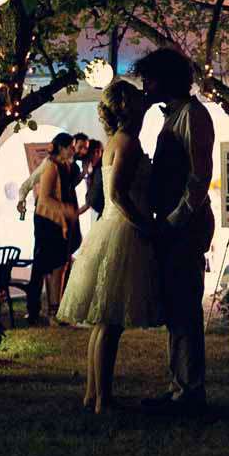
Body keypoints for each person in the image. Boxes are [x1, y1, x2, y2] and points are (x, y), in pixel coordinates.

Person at [58, 82, 160, 413]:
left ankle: (93, 393)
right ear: (129, 108)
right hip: (124, 230)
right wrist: (144, 224)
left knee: (103, 323)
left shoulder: (117, 140)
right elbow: (116, 193)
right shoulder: (127, 142)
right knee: (111, 323)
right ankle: (103, 398)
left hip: (111, 227)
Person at [136, 48, 215, 415]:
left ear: (165, 80)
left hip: (184, 226)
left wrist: (173, 221)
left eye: (149, 79)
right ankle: (179, 386)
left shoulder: (193, 116)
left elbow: (198, 179)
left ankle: (189, 392)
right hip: (173, 223)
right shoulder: (174, 116)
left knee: (184, 307)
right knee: (177, 307)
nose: (144, 86)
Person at [26, 133, 80, 325]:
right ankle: (51, 311)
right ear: (62, 148)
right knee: (52, 266)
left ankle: (54, 310)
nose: (73, 149)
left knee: (59, 265)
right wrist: (66, 210)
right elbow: (45, 198)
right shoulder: (50, 166)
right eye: (70, 146)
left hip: (58, 221)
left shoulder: (65, 165)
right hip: (48, 222)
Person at [17, 133, 90, 218]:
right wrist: (21, 200)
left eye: (85, 148)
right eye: (77, 147)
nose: (83, 151)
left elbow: (70, 186)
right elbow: (28, 183)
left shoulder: (72, 165)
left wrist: (84, 173)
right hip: (47, 213)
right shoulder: (49, 164)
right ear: (62, 148)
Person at [79, 139, 105, 220]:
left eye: (88, 158)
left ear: (97, 152)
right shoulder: (97, 167)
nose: (87, 161)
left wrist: (75, 213)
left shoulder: (100, 169)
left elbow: (92, 199)